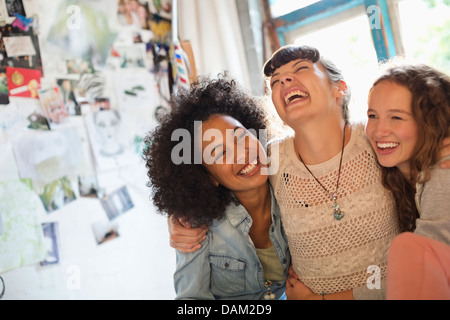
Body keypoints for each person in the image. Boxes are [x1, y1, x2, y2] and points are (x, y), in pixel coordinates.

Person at [169, 45, 450, 300]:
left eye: (300, 69)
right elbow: (215, 176)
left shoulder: (377, 139)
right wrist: (180, 217)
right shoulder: (271, 161)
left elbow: (427, 142)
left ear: (339, 87)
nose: (284, 81)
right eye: (275, 81)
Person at [143, 75, 290, 300]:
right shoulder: (196, 227)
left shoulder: (293, 184)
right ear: (208, 177)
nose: (242, 153)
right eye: (220, 153)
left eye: (241, 136)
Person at [365, 62, 450, 299]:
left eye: (396, 117)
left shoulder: (444, 171)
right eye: (373, 115)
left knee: (405, 249)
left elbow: (424, 274)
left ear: (430, 122)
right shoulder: (395, 174)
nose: (379, 131)